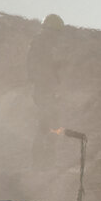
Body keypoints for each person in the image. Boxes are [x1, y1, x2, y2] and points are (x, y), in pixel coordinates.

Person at [27, 13, 66, 165]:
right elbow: (36, 68)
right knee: (47, 122)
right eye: (57, 33)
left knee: (50, 122)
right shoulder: (40, 44)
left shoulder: (43, 44)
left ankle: (45, 158)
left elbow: (41, 66)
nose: (57, 38)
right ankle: (41, 159)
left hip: (45, 89)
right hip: (43, 90)